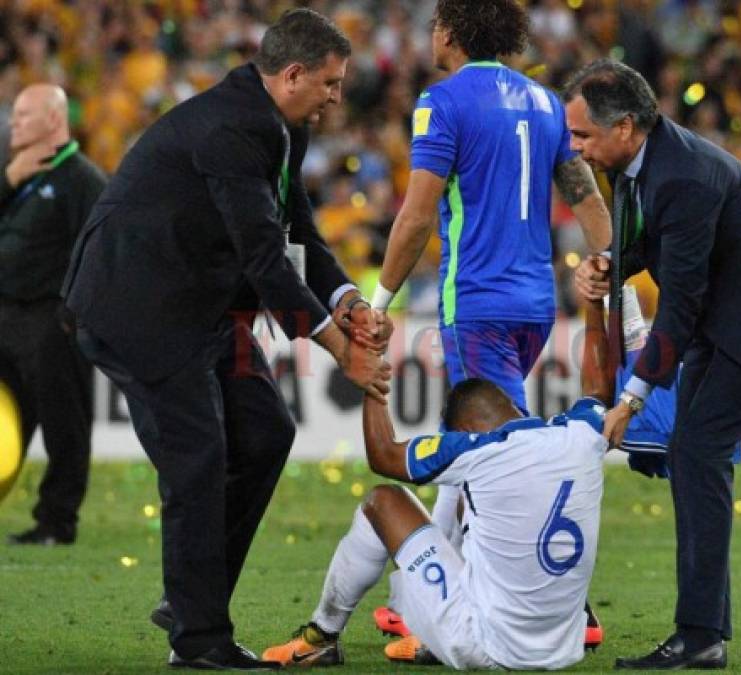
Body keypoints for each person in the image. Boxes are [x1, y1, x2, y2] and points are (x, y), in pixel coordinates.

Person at [63, 9, 391, 671]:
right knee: (199, 458)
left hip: (200, 308)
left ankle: (191, 590)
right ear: (292, 74)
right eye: (328, 83)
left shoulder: (277, 124)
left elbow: (298, 232)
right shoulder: (230, 128)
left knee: (265, 432)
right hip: (138, 309)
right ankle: (199, 640)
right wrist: (340, 350)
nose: (336, 95)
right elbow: (266, 259)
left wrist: (346, 298)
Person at [566, 59, 741, 670]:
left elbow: (681, 305)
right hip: (731, 306)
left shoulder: (683, 176)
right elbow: (645, 240)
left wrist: (632, 399)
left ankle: (700, 635)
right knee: (694, 453)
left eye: (583, 134)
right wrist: (607, 264)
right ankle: (704, 633)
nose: (574, 146)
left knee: (695, 450)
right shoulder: (639, 160)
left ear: (627, 127)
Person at [366, 0, 611, 611]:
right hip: (535, 304)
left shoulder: (442, 103)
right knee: (469, 440)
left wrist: (380, 299)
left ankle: (559, 605)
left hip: (477, 301)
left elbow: (419, 213)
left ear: (449, 32)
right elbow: (589, 204)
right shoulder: (546, 103)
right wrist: (611, 267)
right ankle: (410, 604)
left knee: (502, 453)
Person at [261, 295, 613, 671]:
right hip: (562, 650)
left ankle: (321, 636)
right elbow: (599, 388)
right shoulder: (581, 434)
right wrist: (594, 305)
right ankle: (428, 627)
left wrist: (371, 379)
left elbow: (383, 456)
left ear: (464, 430)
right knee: (466, 499)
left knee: (384, 501)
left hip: (484, 645)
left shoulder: (477, 451)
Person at [0, 84, 105, 545]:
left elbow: (101, 253)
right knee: (5, 421)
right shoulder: (15, 172)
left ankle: (57, 521)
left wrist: (71, 315)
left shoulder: (83, 179)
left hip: (51, 321)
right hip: (6, 318)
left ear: (54, 118)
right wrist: (7, 180)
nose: (13, 122)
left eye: (24, 114)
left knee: (65, 422)